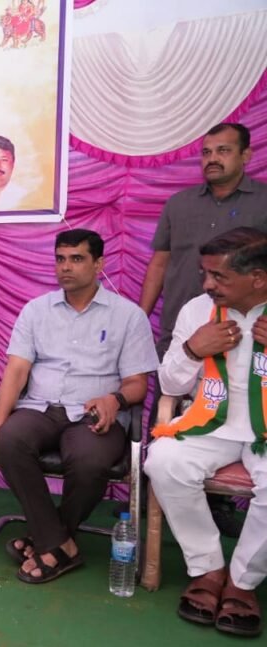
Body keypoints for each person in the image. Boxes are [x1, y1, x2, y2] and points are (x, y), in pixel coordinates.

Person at [0, 229, 158, 584]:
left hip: (93, 414)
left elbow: (138, 384)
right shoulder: (36, 311)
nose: (66, 267)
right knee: (10, 440)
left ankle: (47, 540)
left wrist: (115, 399)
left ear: (99, 264)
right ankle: (60, 544)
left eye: (77, 259)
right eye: (60, 259)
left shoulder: (128, 316)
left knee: (90, 460)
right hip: (40, 408)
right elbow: (16, 371)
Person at [140, 122, 267, 537]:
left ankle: (218, 506)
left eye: (223, 150)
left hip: (252, 329)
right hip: (188, 322)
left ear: (246, 156)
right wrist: (141, 317)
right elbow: (160, 262)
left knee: (244, 401)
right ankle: (155, 498)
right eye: (207, 152)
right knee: (174, 401)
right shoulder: (179, 204)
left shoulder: (263, 201)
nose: (213, 158)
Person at [146, 227, 267, 638]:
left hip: (265, 431)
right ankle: (208, 568)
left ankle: (243, 581)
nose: (207, 285)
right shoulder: (197, 310)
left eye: (218, 276)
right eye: (205, 274)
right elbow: (171, 385)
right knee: (163, 460)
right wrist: (192, 350)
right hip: (209, 421)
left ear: (258, 278)